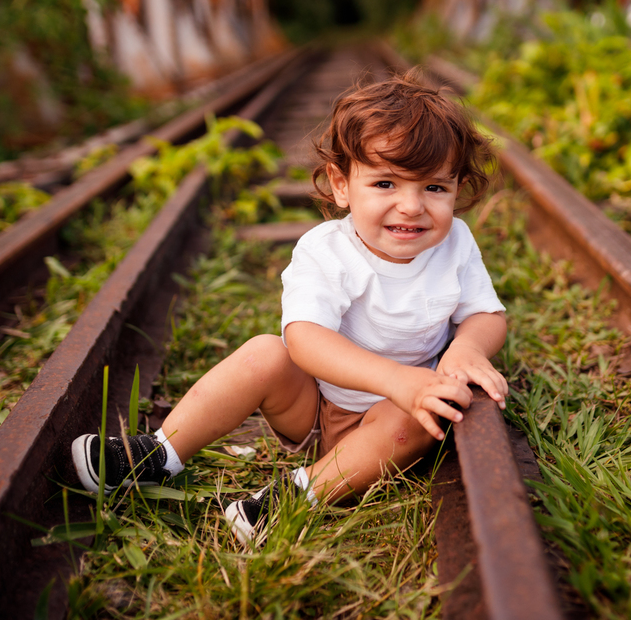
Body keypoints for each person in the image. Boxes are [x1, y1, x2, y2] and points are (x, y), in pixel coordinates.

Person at [70, 73, 509, 543]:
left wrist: (467, 348)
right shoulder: (326, 251)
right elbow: (305, 339)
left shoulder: (455, 243)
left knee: (420, 420)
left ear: (457, 187)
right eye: (385, 183)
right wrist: (396, 379)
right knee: (264, 351)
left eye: (434, 189)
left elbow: (486, 313)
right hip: (320, 406)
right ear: (342, 186)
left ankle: (297, 496)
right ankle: (161, 455)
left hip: (399, 417)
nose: (411, 206)